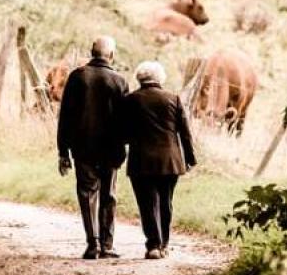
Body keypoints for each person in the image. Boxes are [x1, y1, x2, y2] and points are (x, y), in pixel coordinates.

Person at [56, 36, 129, 259]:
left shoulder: (77, 77)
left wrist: (63, 151)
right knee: (109, 195)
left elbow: (65, 117)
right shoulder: (119, 81)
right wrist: (126, 145)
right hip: (112, 149)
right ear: (112, 55)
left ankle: (93, 244)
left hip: (83, 147)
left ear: (91, 51)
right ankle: (107, 245)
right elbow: (126, 120)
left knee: (87, 194)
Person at [123, 61, 197, 259]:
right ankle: (164, 244)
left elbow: (123, 132)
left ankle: (153, 245)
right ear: (160, 78)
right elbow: (185, 132)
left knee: (147, 204)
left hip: (141, 160)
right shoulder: (173, 99)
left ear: (139, 78)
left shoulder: (130, 100)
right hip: (170, 160)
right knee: (166, 201)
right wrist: (190, 158)